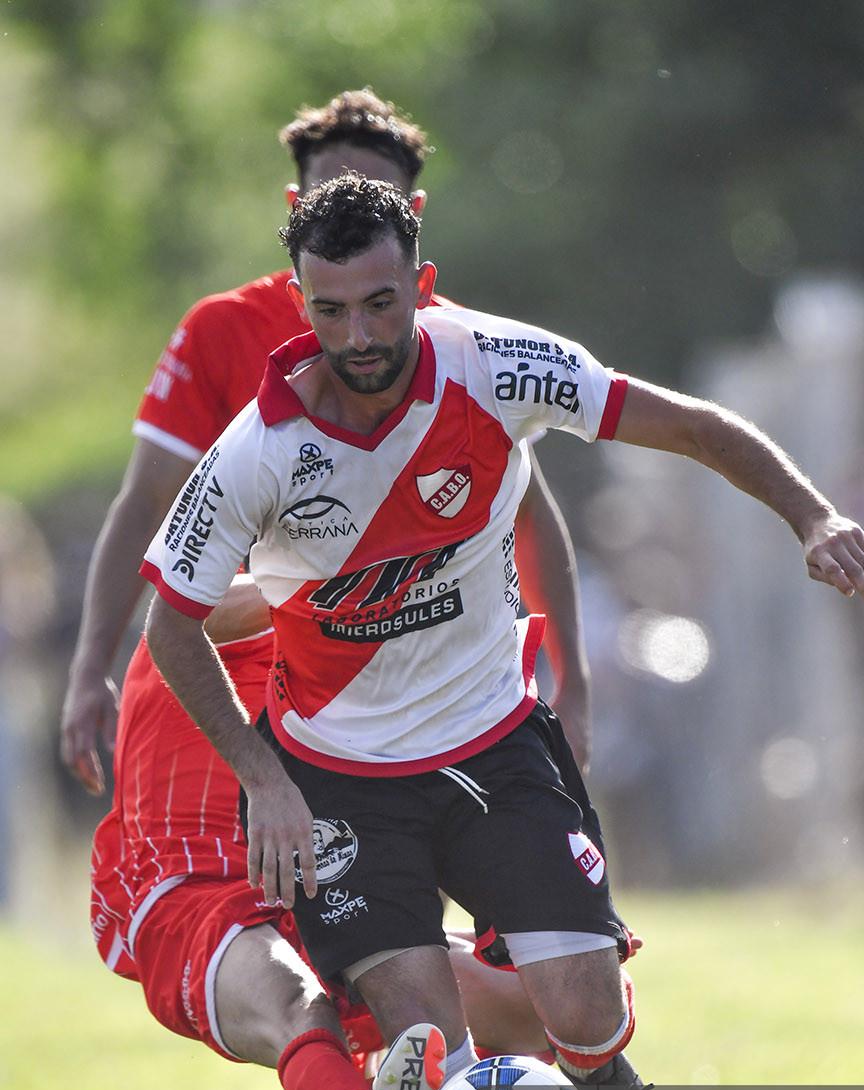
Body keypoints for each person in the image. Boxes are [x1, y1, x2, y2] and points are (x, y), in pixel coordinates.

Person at [142, 174, 864, 1090]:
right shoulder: (258, 450)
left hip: (493, 744)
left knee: (578, 1001)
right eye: (330, 309)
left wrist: (812, 513)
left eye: (381, 303)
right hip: (340, 780)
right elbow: (171, 621)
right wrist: (264, 777)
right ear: (302, 303)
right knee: (424, 1053)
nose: (359, 334)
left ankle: (598, 1064)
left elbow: (688, 424)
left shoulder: (498, 363)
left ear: (417, 280)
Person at [93, 570, 617, 1090]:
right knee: (294, 1005)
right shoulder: (254, 593)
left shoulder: (393, 650)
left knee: (528, 1004)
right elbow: (193, 614)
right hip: (192, 885)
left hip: (314, 882)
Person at [61, 90, 591, 796]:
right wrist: (90, 664)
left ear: (412, 215)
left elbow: (527, 511)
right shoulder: (220, 328)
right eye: (327, 193)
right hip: (248, 666)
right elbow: (146, 501)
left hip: (418, 677)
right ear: (294, 204)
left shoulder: (463, 344)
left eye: (373, 195)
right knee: (257, 880)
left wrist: (575, 686)